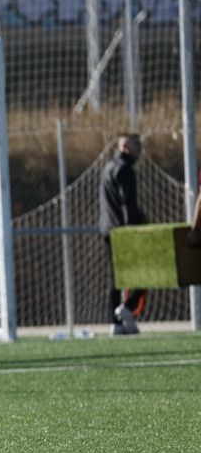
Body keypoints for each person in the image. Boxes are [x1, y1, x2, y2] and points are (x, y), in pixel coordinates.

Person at [98, 134, 147, 335]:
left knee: (116, 277)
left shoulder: (108, 168)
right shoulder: (125, 169)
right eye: (136, 144)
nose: (140, 148)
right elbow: (128, 204)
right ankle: (127, 307)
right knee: (147, 270)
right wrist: (135, 227)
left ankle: (115, 322)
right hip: (123, 230)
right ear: (124, 145)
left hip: (108, 229)